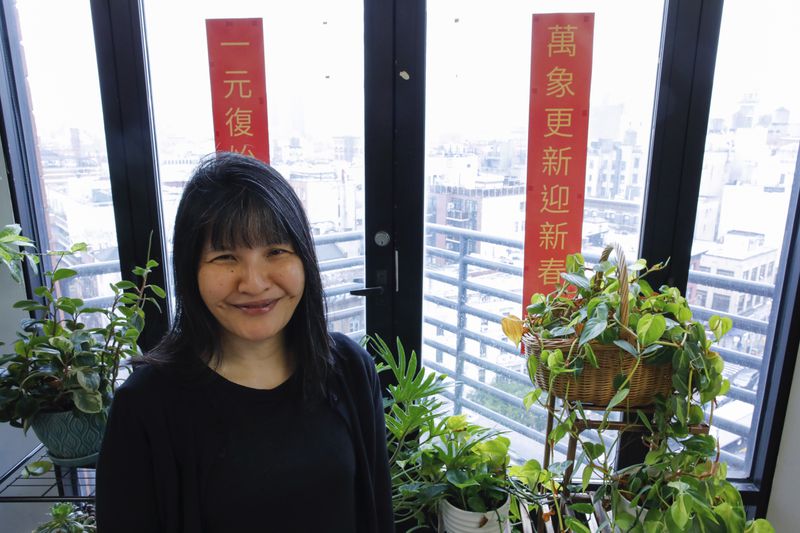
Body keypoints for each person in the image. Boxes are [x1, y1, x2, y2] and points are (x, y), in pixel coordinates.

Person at [95, 152, 394, 533]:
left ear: (304, 259)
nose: (253, 283)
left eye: (276, 251)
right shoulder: (146, 406)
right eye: (224, 256)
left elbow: (377, 514)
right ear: (191, 272)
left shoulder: (349, 368)